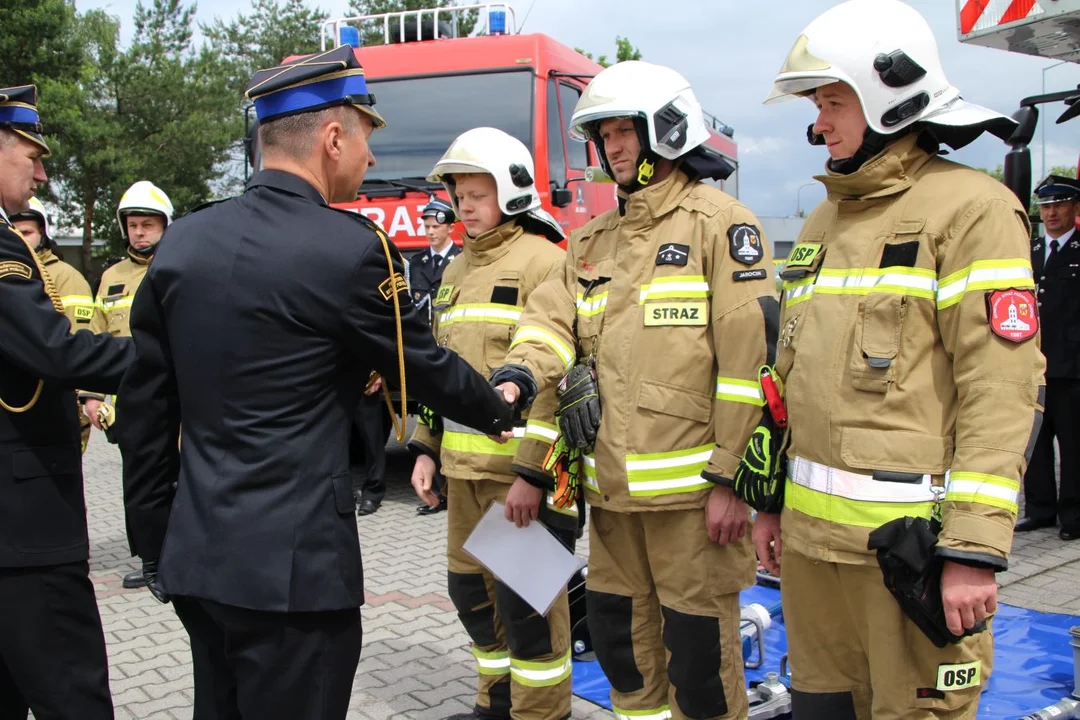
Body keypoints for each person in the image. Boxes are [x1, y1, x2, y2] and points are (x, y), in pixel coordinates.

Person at [116, 47, 521, 720]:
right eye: (366, 138)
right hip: (296, 581)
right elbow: (423, 367)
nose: (369, 160)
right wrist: (502, 409)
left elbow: (145, 414)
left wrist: (155, 544)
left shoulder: (181, 243)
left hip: (199, 562)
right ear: (332, 138)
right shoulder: (351, 248)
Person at [752, 1, 1045, 717]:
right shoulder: (823, 220)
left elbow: (1000, 388)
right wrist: (770, 504)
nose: (817, 122)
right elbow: (790, 378)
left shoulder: (974, 209)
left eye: (831, 101)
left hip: (909, 561)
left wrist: (973, 551)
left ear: (888, 93)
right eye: (817, 104)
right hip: (814, 563)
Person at [493, 61, 777, 720]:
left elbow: (750, 367)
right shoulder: (591, 243)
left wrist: (733, 481)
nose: (614, 147)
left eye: (626, 130)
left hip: (693, 508)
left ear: (668, 132)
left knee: (700, 668)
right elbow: (549, 328)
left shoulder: (721, 227)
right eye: (605, 134)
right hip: (614, 504)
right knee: (623, 652)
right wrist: (517, 375)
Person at [408, 126, 573, 720]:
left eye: (478, 194)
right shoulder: (454, 271)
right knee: (472, 598)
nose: (464, 206)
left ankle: (541, 713)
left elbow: (557, 380)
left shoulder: (547, 261)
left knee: (528, 610)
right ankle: (494, 706)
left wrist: (534, 473)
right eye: (459, 195)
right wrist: (425, 446)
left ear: (514, 191)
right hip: (464, 474)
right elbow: (440, 369)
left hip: (516, 480)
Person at [0, 83, 133, 720]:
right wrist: (170, 360)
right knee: (71, 690)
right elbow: (56, 352)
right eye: (31, 154)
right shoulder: (4, 248)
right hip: (22, 520)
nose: (42, 171)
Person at [80, 179, 173, 591]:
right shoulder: (111, 277)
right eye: (134, 224)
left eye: (148, 224)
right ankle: (152, 561)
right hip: (128, 404)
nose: (140, 232)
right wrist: (90, 396)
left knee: (181, 480)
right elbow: (94, 339)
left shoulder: (176, 266)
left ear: (164, 225)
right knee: (138, 487)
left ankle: (181, 561)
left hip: (175, 398)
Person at [1019, 174, 1080, 540]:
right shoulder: (1031, 251)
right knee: (1036, 444)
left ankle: (1073, 514)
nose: (1052, 212)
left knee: (1073, 447)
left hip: (1073, 367)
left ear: (1074, 208)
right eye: (1046, 205)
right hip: (1035, 364)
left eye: (1059, 204)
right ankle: (1040, 510)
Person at [10, 196, 98, 452]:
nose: (20, 238)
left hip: (55, 402)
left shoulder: (67, 278)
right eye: (14, 231)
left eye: (27, 232)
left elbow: (79, 343)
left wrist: (81, 406)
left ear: (43, 234)